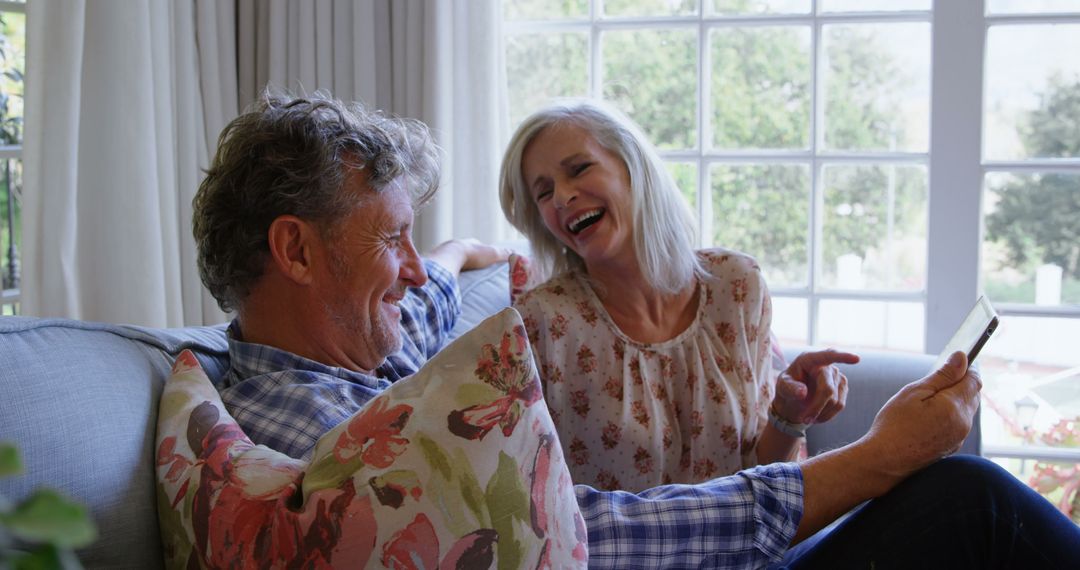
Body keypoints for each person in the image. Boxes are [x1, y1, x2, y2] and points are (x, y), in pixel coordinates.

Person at [192, 90, 1080, 568]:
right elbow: (576, 534)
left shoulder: (360, 346)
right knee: (970, 499)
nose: (415, 269)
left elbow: (433, 291)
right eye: (393, 239)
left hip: (750, 547)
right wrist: (878, 457)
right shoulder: (316, 434)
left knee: (969, 502)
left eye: (580, 170)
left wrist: (459, 253)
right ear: (295, 251)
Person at [499, 99, 857, 491]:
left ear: (633, 167)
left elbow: (761, 479)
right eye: (544, 192)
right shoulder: (539, 322)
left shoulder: (737, 285)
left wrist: (790, 415)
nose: (562, 197)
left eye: (579, 168)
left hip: (747, 531)